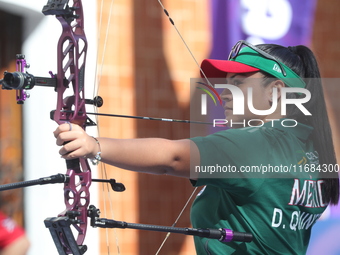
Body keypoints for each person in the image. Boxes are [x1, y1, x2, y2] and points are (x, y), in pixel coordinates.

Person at [53, 40, 339, 254]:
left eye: (239, 82)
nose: (225, 92)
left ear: (276, 91)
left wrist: (93, 146)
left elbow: (173, 157)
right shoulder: (309, 149)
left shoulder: (259, 145)